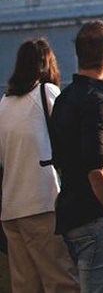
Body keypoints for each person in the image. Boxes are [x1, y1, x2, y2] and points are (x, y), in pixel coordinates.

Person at [50, 20, 103, 292]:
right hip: (98, 218)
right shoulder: (101, 103)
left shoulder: (64, 99)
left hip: (71, 212)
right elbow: (99, 167)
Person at [0, 39, 79, 292]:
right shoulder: (47, 94)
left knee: (24, 284)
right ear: (47, 64)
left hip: (11, 207)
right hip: (42, 201)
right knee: (60, 280)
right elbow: (71, 136)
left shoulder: (4, 103)